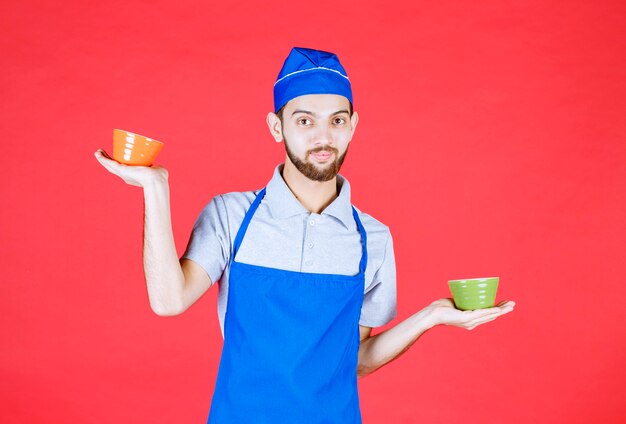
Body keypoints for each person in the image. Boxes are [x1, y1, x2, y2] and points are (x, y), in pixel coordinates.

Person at [95, 47, 515, 423]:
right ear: (277, 128)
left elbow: (354, 361)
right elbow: (169, 302)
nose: (322, 137)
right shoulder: (231, 216)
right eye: (304, 120)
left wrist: (431, 317)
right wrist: (156, 188)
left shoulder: (373, 238)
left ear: (353, 126)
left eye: (336, 120)